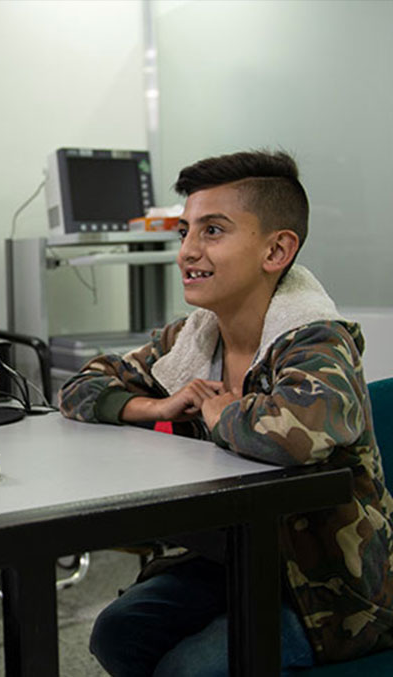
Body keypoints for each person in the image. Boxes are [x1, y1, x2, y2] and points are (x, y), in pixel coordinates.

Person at [59, 150, 393, 674]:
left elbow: (297, 431)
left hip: (330, 593)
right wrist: (155, 404)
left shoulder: (318, 341)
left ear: (277, 250)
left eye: (212, 231)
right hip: (231, 562)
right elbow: (81, 386)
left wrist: (218, 416)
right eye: (184, 231)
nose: (188, 251)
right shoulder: (193, 337)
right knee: (119, 633)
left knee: (188, 670)